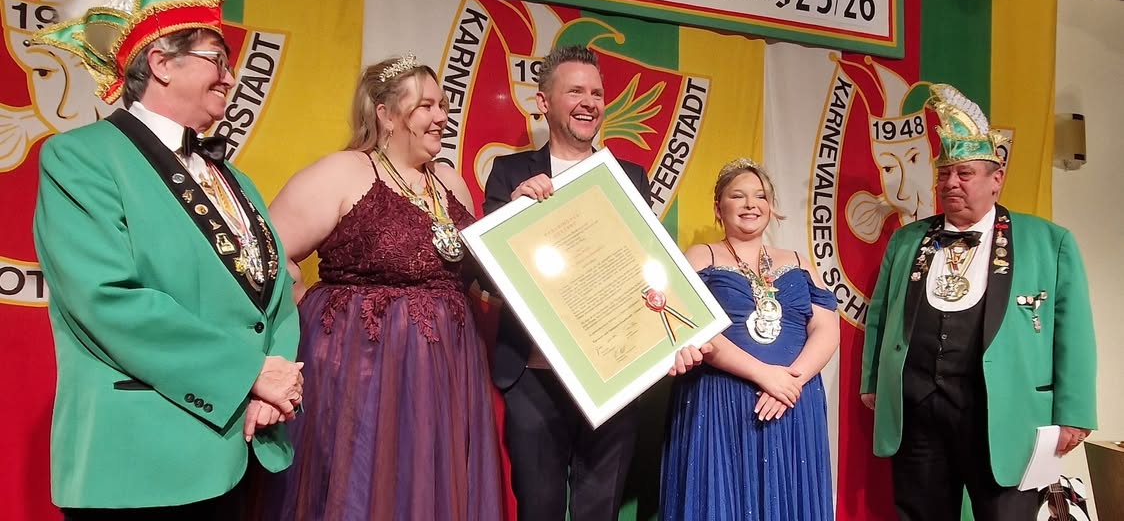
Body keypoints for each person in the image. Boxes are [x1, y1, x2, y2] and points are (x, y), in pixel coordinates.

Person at [31, 0, 302, 520]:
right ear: (160, 62)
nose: (230, 77)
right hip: (141, 462)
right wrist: (250, 373)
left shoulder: (236, 178)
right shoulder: (80, 159)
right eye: (216, 58)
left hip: (238, 448)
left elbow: (275, 300)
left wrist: (272, 382)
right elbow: (107, 299)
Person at [263, 56, 503, 520]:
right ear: (386, 114)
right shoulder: (344, 172)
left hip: (446, 371)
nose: (441, 116)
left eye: (443, 105)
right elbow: (269, 255)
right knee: (363, 484)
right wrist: (316, 317)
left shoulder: (449, 181)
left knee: (428, 485)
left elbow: (479, 271)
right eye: (426, 106)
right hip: (365, 371)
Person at [860, 83, 1098, 521]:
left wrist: (1075, 412)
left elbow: (1074, 334)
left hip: (1004, 413)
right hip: (917, 414)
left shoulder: (1050, 242)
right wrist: (874, 382)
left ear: (996, 179)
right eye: (944, 174)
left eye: (965, 173)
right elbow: (880, 315)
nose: (951, 183)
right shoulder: (906, 240)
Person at [483, 44, 675, 520]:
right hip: (535, 377)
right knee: (539, 510)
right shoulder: (510, 173)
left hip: (611, 376)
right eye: (575, 92)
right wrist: (516, 215)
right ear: (543, 102)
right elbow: (486, 278)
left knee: (599, 512)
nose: (589, 102)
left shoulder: (629, 178)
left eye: (597, 93)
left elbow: (644, 267)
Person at [660, 158, 838, 520]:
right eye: (737, 196)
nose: (750, 204)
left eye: (760, 196)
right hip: (720, 399)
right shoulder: (700, 256)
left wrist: (791, 381)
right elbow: (693, 325)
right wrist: (765, 375)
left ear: (770, 206)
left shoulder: (799, 261)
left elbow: (827, 327)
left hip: (792, 401)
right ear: (718, 208)